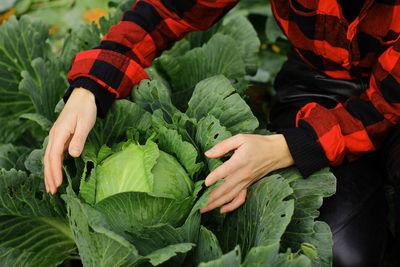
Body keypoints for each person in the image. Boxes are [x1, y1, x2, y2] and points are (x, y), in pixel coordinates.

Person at [43, 0, 398, 266]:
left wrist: (288, 148)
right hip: (321, 79)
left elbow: (386, 108)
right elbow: (165, 10)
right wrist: (92, 87)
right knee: (344, 254)